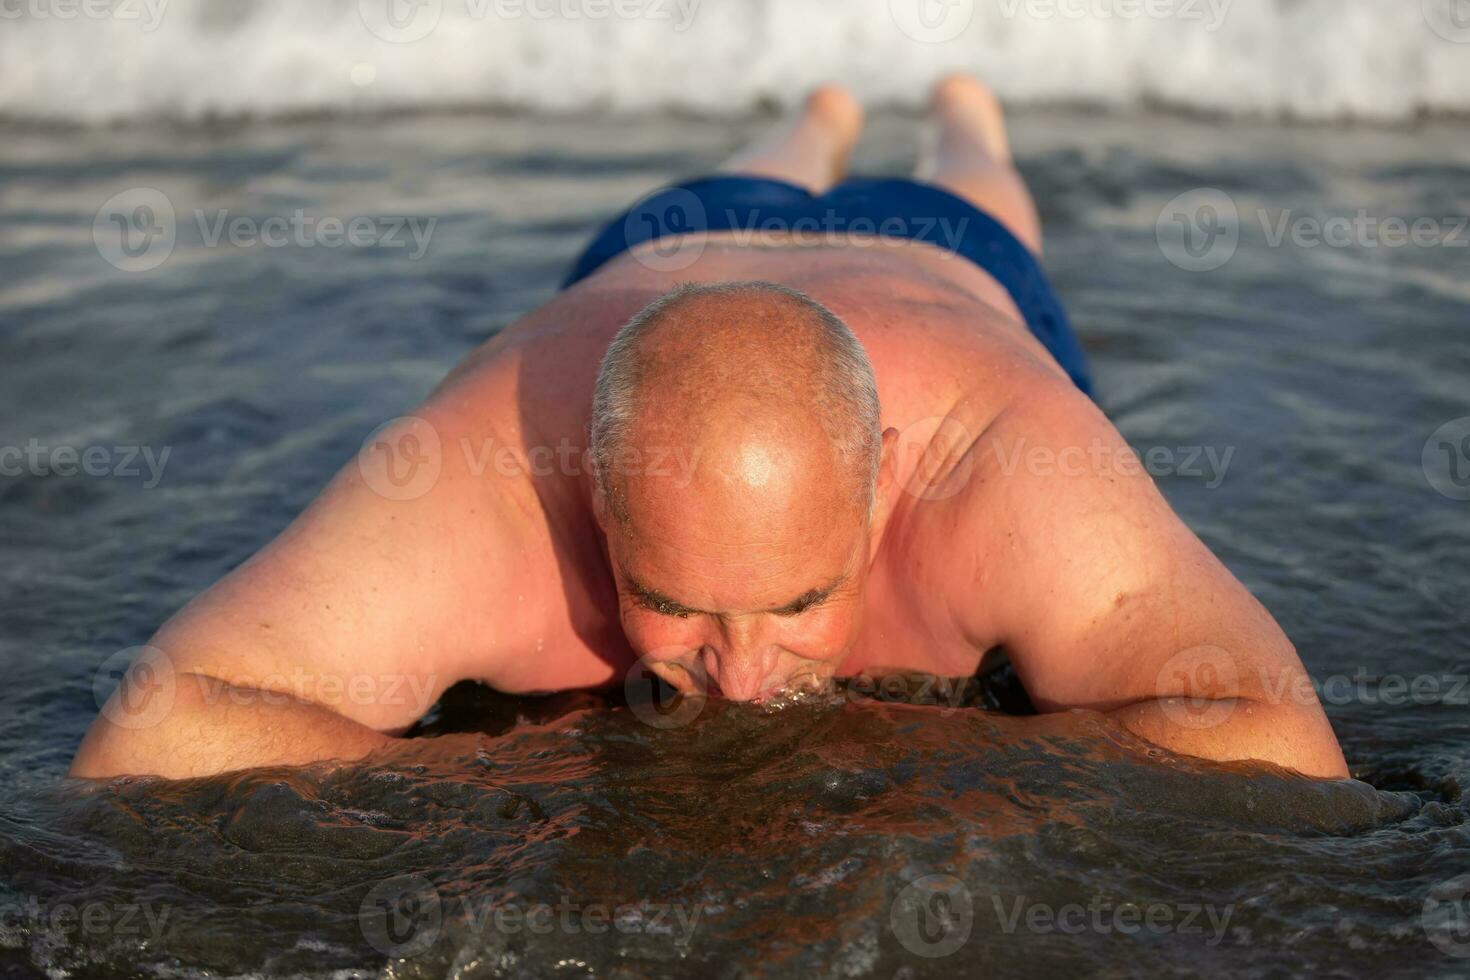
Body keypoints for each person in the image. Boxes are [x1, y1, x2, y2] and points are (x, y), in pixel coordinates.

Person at [71, 75, 1348, 780]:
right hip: (659, 249)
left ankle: (966, 110)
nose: (739, 676)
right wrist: (487, 783)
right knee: (771, 147)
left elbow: (1275, 731)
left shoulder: (1002, 465)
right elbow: (157, 722)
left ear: (879, 490)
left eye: (799, 597)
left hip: (943, 259)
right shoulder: (489, 477)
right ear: (597, 498)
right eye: (672, 601)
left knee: (983, 186)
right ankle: (820, 114)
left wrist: (956, 773)